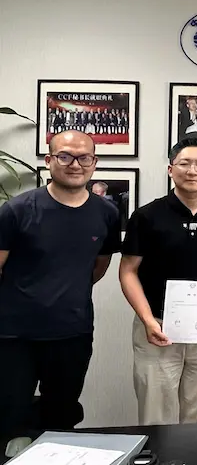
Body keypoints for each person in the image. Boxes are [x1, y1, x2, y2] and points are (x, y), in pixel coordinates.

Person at [0, 131, 121, 451]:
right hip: (14, 336)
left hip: (73, 332)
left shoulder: (106, 213)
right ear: (49, 160)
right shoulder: (17, 210)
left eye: (84, 158)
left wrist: (63, 293)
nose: (75, 164)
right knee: (12, 422)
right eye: (65, 156)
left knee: (62, 418)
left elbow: (97, 268)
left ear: (94, 163)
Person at [119, 137, 197, 425]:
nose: (192, 171)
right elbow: (128, 271)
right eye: (184, 164)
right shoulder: (147, 215)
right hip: (157, 328)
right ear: (171, 170)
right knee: (155, 413)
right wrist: (147, 319)